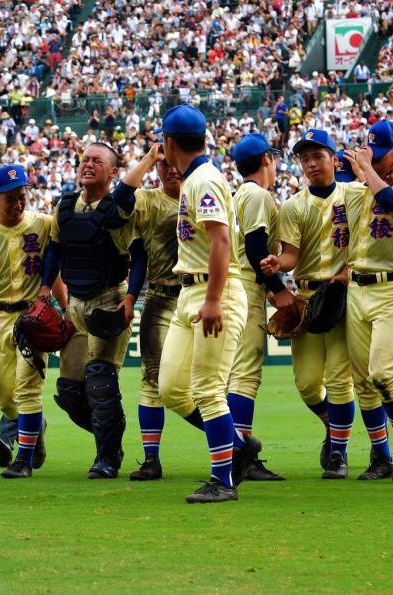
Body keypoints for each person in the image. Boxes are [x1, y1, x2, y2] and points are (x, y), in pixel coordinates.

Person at [153, 104, 260, 503]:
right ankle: (237, 444)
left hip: (216, 291)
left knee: (208, 389)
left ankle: (223, 480)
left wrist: (214, 299)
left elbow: (221, 241)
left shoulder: (204, 179)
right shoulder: (195, 177)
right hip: (189, 291)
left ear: (168, 142)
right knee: (172, 389)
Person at [39, 143, 148, 479]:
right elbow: (55, 251)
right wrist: (45, 288)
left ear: (113, 172)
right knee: (70, 393)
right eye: (84, 159)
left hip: (108, 299)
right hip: (74, 305)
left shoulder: (119, 210)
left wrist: (130, 296)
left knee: (100, 382)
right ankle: (111, 434)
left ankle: (106, 457)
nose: (88, 165)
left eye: (97, 161)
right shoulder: (66, 205)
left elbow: (139, 254)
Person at [262, 129, 362, 477]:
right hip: (305, 300)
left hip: (341, 297)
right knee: (306, 384)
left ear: (334, 159)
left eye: (317, 156)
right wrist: (278, 265)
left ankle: (338, 453)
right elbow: (290, 256)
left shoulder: (354, 195)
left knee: (338, 380)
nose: (310, 163)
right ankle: (334, 429)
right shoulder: (293, 205)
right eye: (305, 158)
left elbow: (365, 241)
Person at [342, 120, 393, 483]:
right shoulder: (363, 184)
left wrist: (367, 172)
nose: (368, 160)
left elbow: (391, 201)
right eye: (368, 153)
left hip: (390, 290)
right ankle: (380, 454)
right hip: (357, 289)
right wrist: (355, 167)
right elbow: (336, 170)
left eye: (378, 156)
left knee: (381, 374)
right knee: (362, 381)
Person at [0, 165, 63, 478]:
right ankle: (34, 425)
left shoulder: (44, 224)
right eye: (10, 198)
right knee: (5, 396)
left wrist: (63, 304)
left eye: (22, 195)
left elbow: (61, 251)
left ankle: (22, 459)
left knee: (28, 389)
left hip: (33, 318)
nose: (18, 203)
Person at [226, 133, 295, 481]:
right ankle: (240, 456)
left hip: (242, 287)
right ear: (266, 159)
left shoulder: (244, 193)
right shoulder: (255, 193)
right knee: (244, 374)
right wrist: (278, 290)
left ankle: (238, 453)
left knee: (240, 373)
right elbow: (255, 249)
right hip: (245, 290)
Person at [110, 149, 182, 481]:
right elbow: (120, 196)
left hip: (202, 296)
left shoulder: (204, 191)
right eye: (164, 165)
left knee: (208, 381)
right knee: (152, 381)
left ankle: (233, 448)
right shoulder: (149, 201)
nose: (170, 169)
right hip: (162, 296)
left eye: (173, 162)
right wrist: (151, 159)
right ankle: (151, 458)